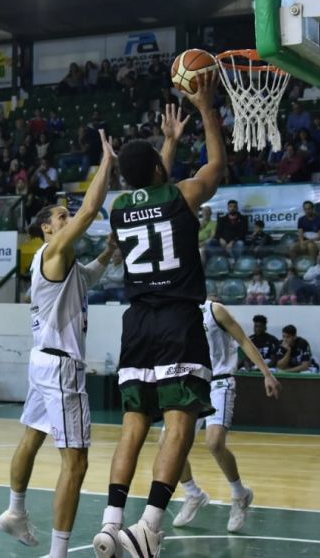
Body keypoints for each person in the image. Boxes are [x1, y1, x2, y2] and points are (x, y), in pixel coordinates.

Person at [93, 70, 225, 558]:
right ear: (157, 169)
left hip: (137, 324)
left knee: (133, 425)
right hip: (177, 320)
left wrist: (166, 145)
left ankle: (111, 525)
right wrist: (206, 107)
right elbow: (217, 165)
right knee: (179, 423)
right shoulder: (183, 195)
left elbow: (149, 190)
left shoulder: (120, 209)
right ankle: (149, 526)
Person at [0, 127, 115, 558]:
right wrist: (107, 162)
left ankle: (15, 510)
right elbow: (91, 210)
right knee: (76, 462)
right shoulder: (53, 252)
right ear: (47, 228)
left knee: (31, 437)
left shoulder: (65, 265)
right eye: (62, 216)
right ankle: (59, 553)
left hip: (43, 363)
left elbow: (91, 276)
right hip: (62, 367)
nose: (69, 218)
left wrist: (109, 252)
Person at [166, 296, 281, 532]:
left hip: (219, 382)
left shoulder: (214, 310)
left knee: (214, 442)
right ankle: (192, 493)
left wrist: (267, 374)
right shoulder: (177, 313)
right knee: (167, 444)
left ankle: (240, 494)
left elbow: (244, 340)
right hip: (190, 384)